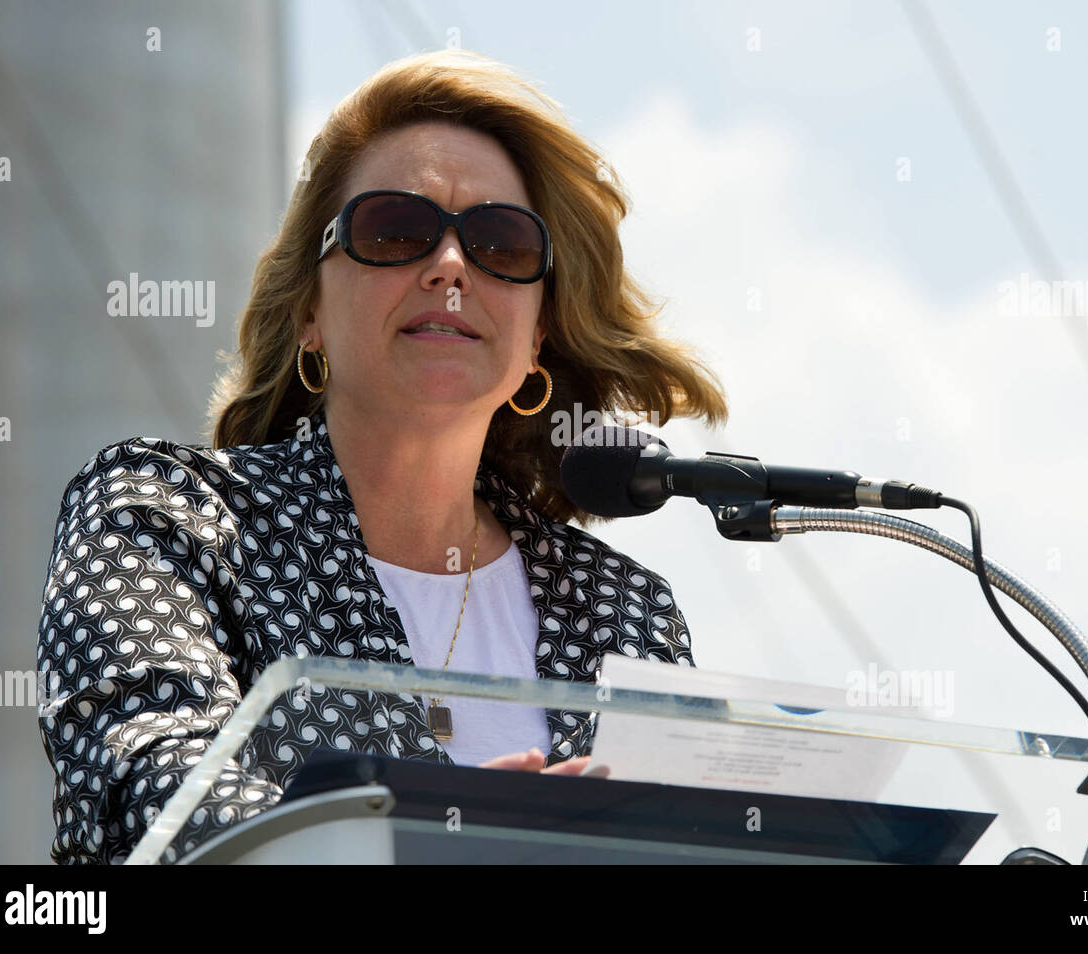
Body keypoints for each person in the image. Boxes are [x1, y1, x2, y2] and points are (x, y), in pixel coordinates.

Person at [36, 49, 727, 865]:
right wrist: (427, 837)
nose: (450, 266)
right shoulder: (163, 519)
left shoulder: (627, 614)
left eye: (500, 245)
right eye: (395, 230)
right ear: (308, 312)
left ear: (538, 335)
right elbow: (150, 798)